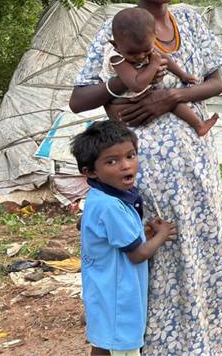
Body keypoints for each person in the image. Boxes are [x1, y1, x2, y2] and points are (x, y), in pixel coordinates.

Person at [68, 0, 222, 354]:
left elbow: (216, 83)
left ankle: (206, 344)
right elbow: (79, 99)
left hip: (196, 164)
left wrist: (172, 97)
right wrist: (119, 85)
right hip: (144, 170)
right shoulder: (116, 32)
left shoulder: (190, 21)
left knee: (201, 251)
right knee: (157, 258)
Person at [72, 120, 177, 356]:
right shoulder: (111, 206)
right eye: (112, 161)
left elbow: (112, 238)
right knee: (122, 347)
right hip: (119, 295)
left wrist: (143, 234)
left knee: (104, 343)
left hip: (103, 288)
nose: (125, 165)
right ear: (90, 172)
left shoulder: (99, 197)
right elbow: (137, 255)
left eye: (131, 156)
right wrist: (162, 235)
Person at [103, 7, 219, 136]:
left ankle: (199, 126)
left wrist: (182, 75)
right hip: (126, 103)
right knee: (164, 101)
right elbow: (137, 85)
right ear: (115, 45)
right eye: (132, 53)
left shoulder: (143, 44)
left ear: (154, 37)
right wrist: (153, 64)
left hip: (142, 95)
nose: (141, 56)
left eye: (146, 51)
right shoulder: (115, 57)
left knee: (171, 101)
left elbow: (165, 58)